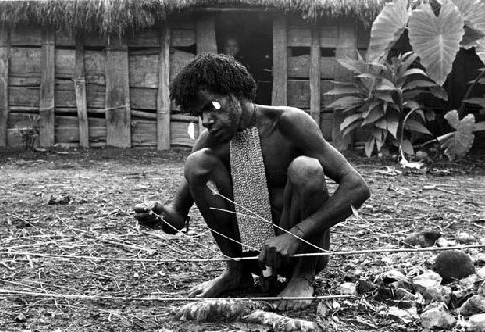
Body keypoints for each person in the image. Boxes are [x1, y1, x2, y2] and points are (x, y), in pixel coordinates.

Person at [134, 53, 370, 310]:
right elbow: (177, 218)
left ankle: (303, 276)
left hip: (298, 249)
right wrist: (159, 215)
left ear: (235, 93)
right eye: (199, 113)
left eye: (212, 107)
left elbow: (356, 187)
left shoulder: (288, 123)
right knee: (196, 162)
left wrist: (295, 235)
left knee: (306, 168)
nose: (206, 121)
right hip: (250, 253)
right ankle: (236, 273)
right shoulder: (211, 140)